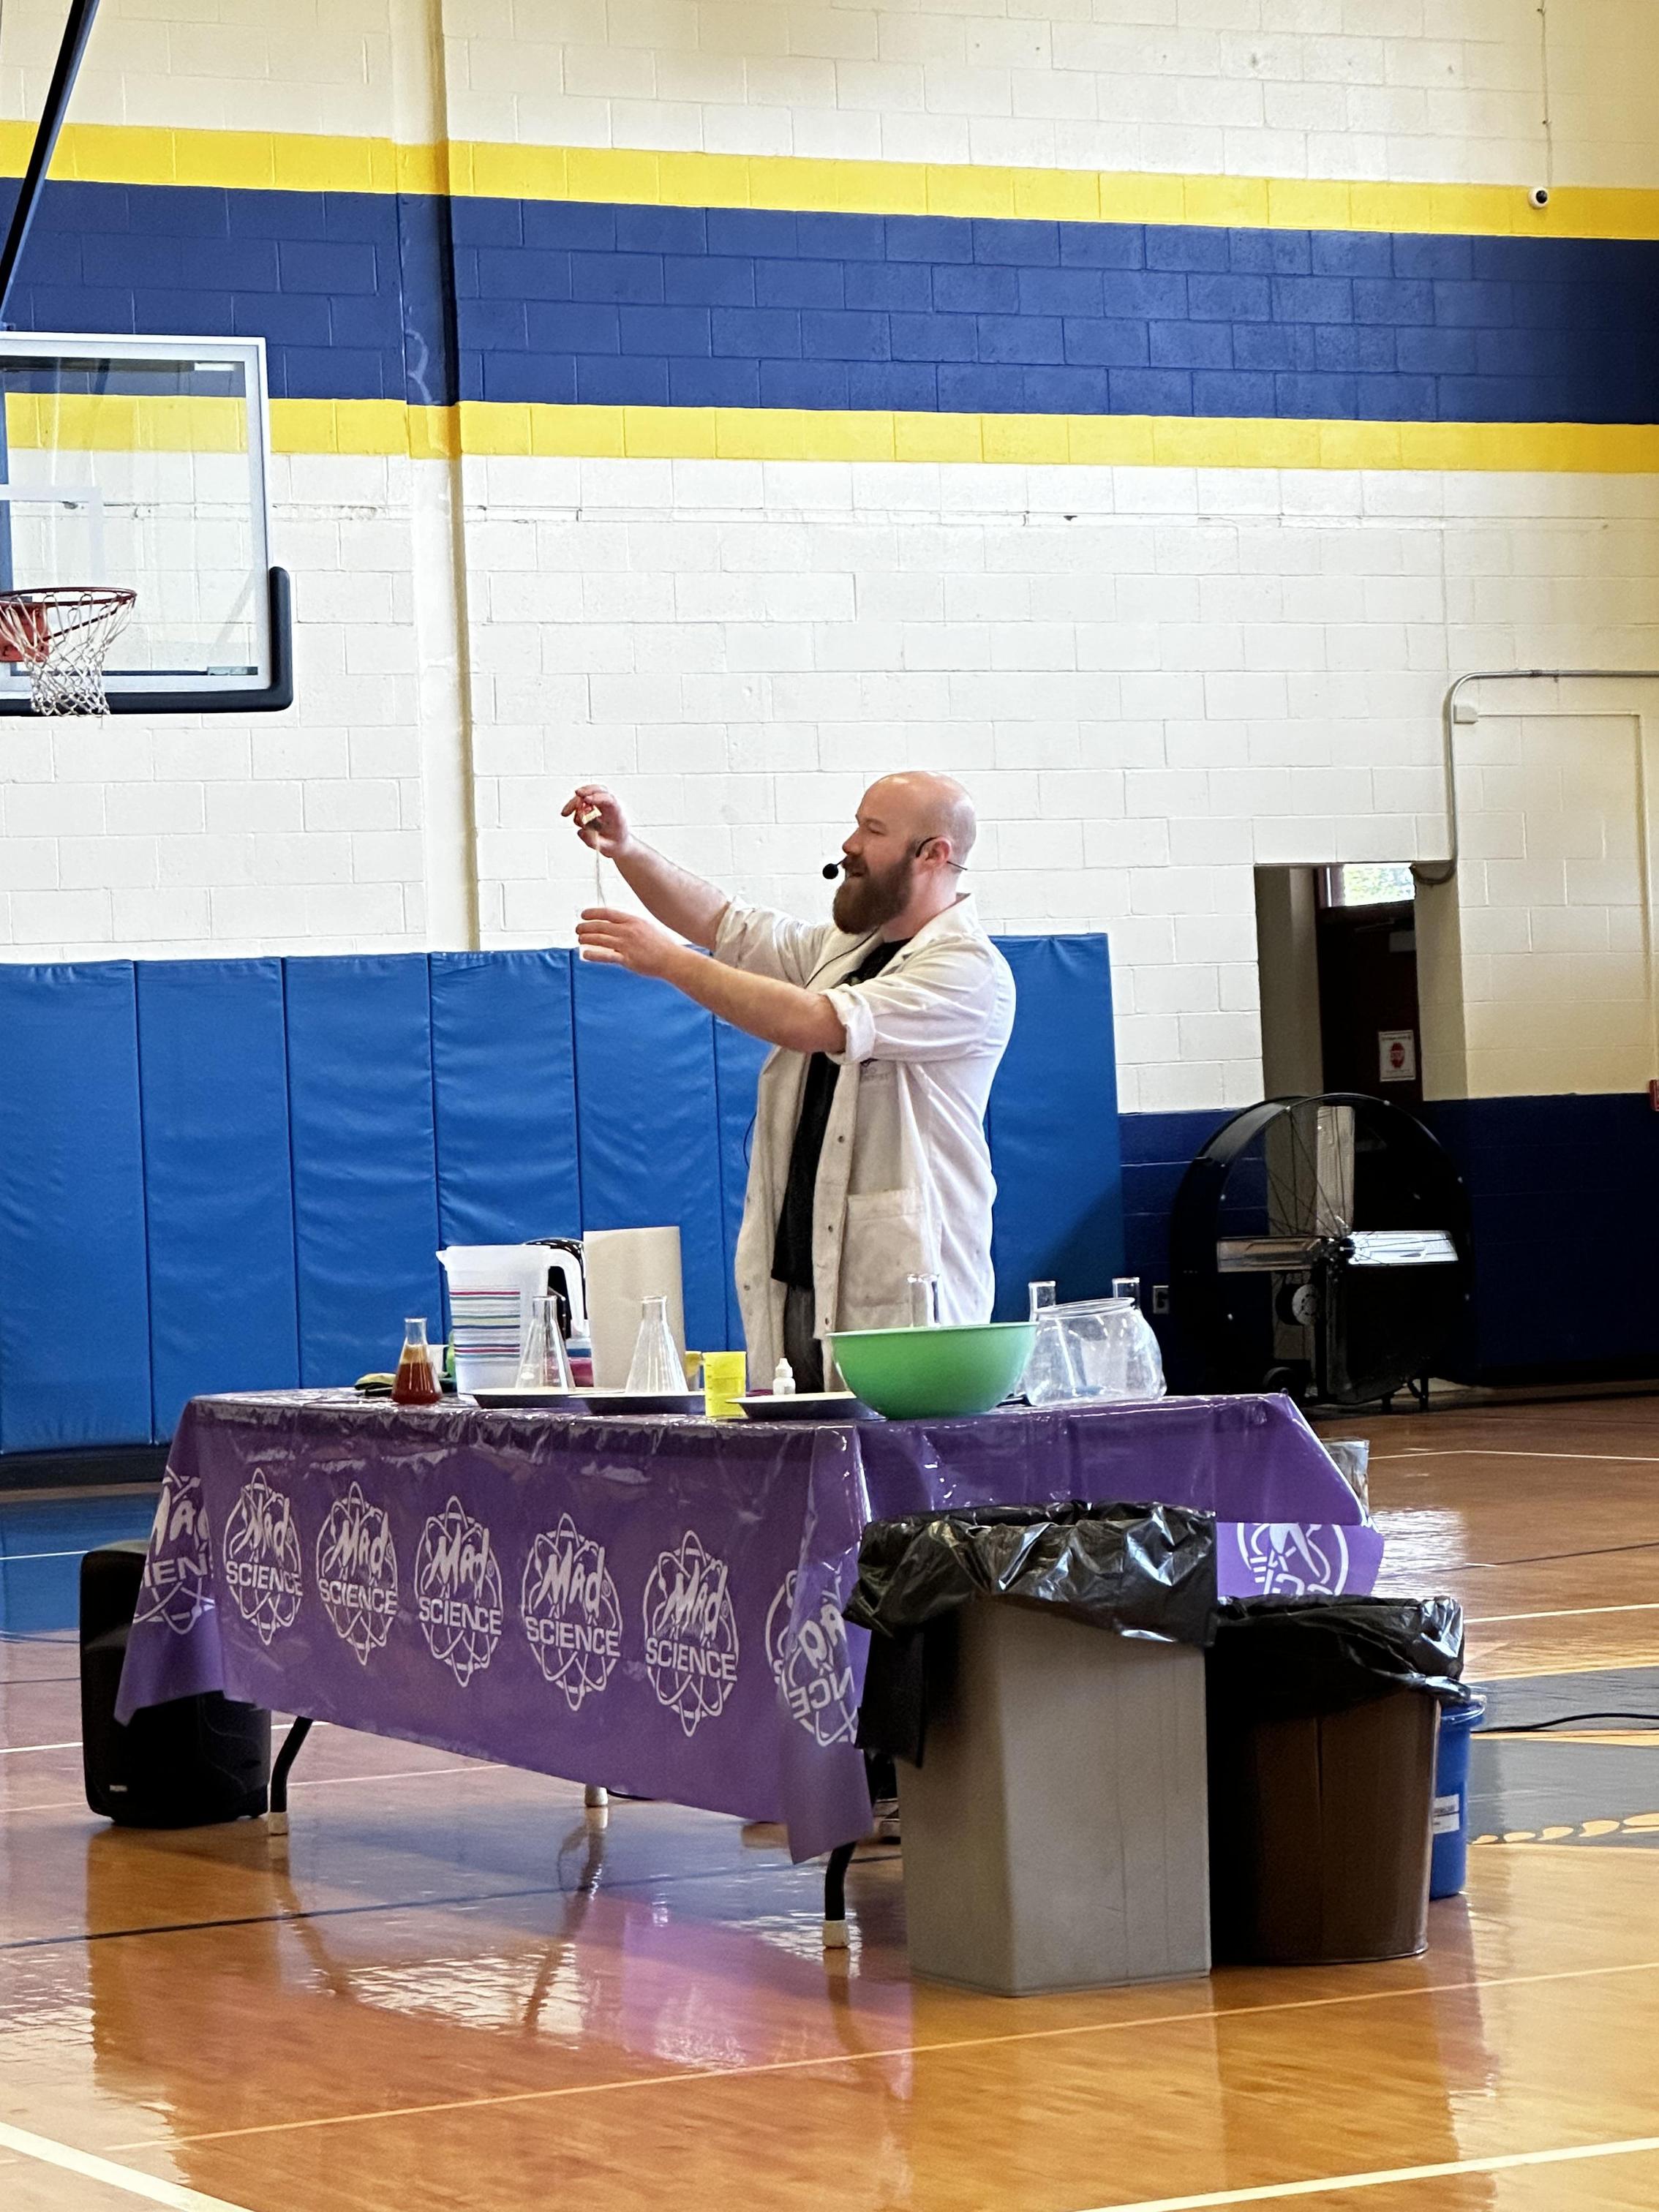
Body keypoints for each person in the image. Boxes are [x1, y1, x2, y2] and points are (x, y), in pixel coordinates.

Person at [565, 772, 1016, 1388]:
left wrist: (670, 962)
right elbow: (726, 925)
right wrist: (627, 849)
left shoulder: (966, 970)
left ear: (934, 854)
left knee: (892, 1442)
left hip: (905, 1284)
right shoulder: (846, 949)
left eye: (873, 831)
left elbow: (816, 1023)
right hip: (802, 1278)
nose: (850, 845)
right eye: (856, 825)